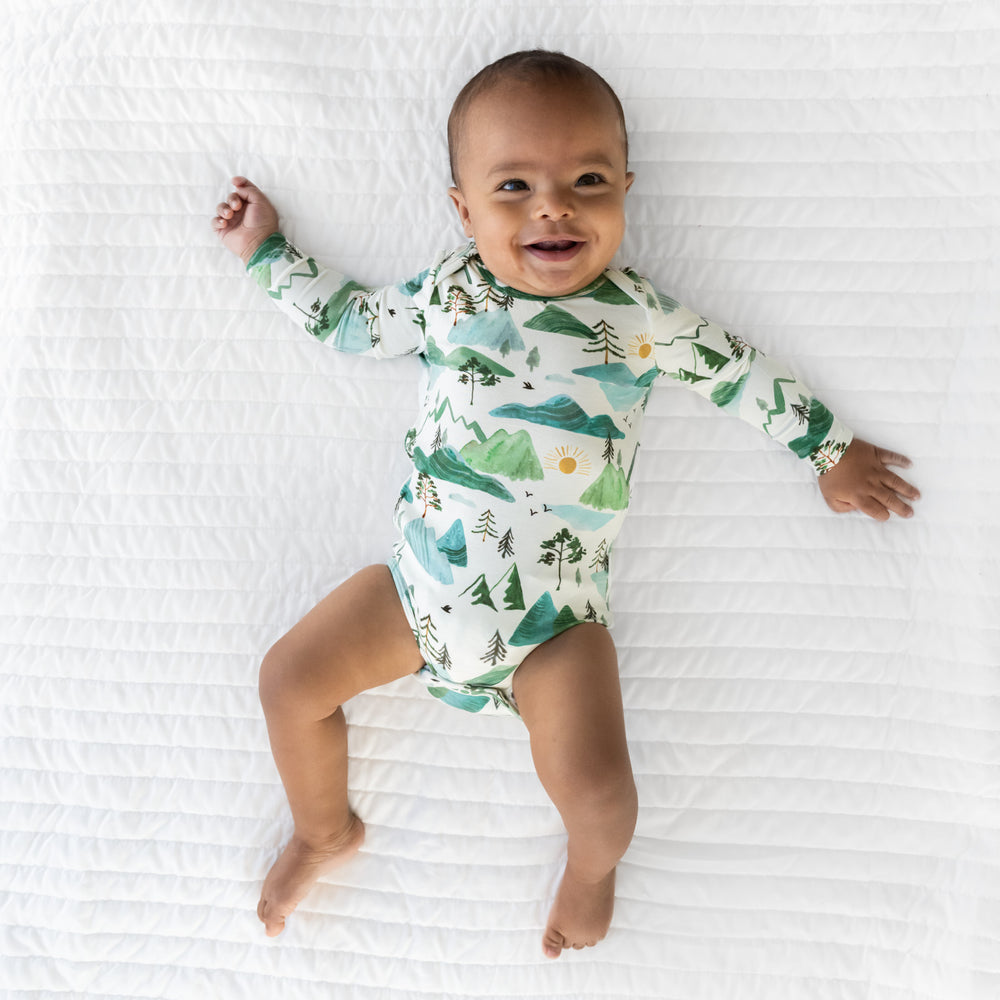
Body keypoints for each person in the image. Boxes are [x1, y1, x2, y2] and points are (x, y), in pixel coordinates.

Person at [212, 50, 919, 959]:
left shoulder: (641, 319)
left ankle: (591, 870)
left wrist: (829, 450)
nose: (555, 206)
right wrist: (266, 253)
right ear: (463, 210)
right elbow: (350, 322)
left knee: (600, 791)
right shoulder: (446, 295)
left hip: (555, 630)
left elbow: (740, 373)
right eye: (514, 186)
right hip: (418, 596)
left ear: (626, 189)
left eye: (588, 180)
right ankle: (322, 829)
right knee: (287, 682)